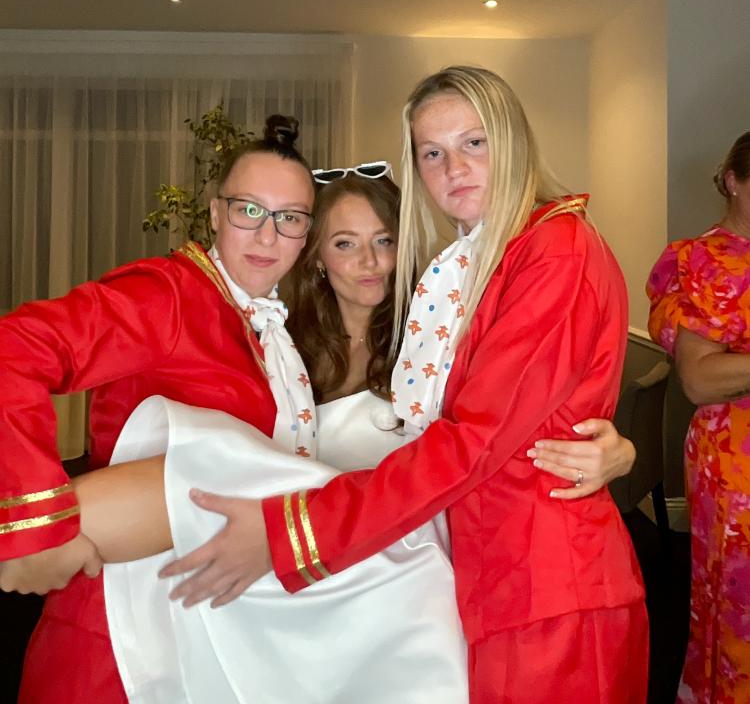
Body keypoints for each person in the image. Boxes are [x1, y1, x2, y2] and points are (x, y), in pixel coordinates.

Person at [142, 66, 650, 704]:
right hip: (490, 575)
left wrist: (292, 534)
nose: (454, 169)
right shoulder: (491, 258)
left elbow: (475, 437)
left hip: (545, 585)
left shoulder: (555, 250)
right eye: (431, 153)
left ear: (513, 139)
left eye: (474, 143)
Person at [0, 116, 317, 704]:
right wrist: (37, 524)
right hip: (116, 631)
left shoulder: (267, 326)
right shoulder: (168, 295)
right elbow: (12, 351)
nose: (267, 236)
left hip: (196, 625)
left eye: (289, 218)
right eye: (249, 210)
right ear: (215, 213)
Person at [647, 131, 750, 704]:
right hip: (736, 460)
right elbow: (699, 379)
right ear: (732, 181)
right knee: (739, 604)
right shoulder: (706, 260)